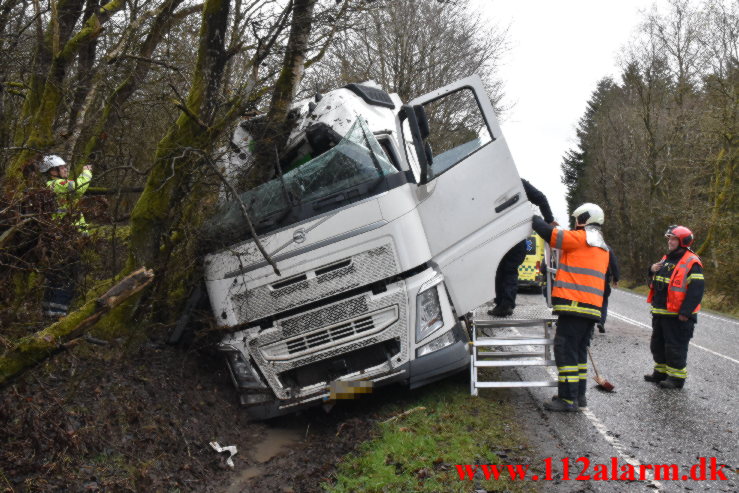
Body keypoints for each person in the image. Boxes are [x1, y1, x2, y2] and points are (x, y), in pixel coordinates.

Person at [532, 203, 610, 412]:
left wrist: (533, 217)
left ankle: (567, 399)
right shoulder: (602, 246)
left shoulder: (579, 238)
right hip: (591, 309)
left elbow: (551, 235)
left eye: (577, 219)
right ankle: (579, 395)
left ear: (584, 218)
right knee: (578, 354)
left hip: (575, 305)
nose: (575, 224)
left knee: (565, 352)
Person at [644, 225, 704, 389]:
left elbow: (696, 290)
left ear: (683, 241)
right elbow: (656, 281)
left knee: (675, 347)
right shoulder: (667, 258)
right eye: (669, 238)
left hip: (678, 316)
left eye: (673, 239)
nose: (669, 241)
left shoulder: (692, 261)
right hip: (661, 312)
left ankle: (676, 379)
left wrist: (685, 312)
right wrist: (651, 269)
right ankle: (660, 373)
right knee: (657, 345)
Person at [488, 179, 557, 317]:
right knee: (505, 270)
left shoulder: (493, 183)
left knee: (505, 269)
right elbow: (541, 199)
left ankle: (505, 304)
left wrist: (549, 220)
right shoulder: (517, 182)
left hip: (504, 235)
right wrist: (549, 219)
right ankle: (502, 303)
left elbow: (541, 198)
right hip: (515, 234)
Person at [38, 154, 93, 319]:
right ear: (52, 172)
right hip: (66, 240)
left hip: (64, 239)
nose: (65, 170)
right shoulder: (55, 185)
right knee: (66, 280)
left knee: (57, 278)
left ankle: (49, 315)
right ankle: (58, 317)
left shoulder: (53, 186)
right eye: (61, 168)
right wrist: (87, 173)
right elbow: (78, 187)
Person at [597, 249, 620, 333]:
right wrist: (616, 278)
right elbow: (614, 264)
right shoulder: (607, 249)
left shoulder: (587, 245)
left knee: (590, 302)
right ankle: (601, 322)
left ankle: (590, 324)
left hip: (588, 280)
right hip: (604, 280)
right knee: (604, 300)